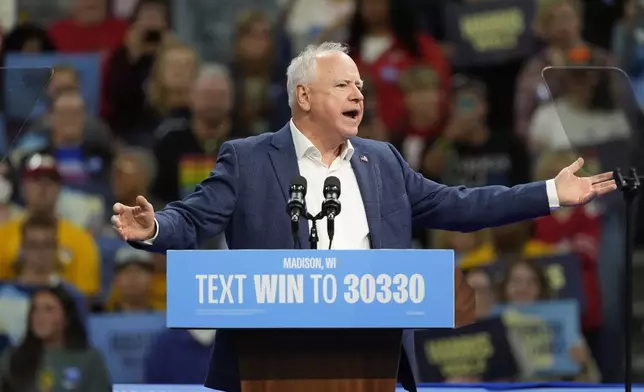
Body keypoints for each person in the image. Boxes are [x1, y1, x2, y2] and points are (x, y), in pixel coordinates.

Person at [111, 42, 617, 392]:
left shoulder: (384, 162)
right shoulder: (247, 159)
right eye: (343, 85)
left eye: (360, 85)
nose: (359, 94)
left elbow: (460, 206)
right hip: (274, 361)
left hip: (369, 359)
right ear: (303, 95)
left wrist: (550, 191)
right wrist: (153, 228)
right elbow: (195, 218)